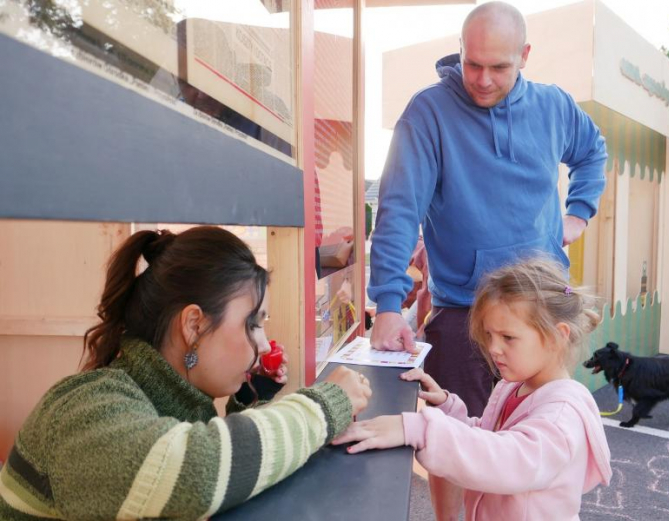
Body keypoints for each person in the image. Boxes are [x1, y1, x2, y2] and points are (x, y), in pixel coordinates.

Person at [367, 2, 607, 516]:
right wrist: (388, 304)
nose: (480, 79)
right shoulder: (428, 112)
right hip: (464, 310)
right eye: (471, 63)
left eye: (498, 67)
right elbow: (399, 207)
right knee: (460, 435)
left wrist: (579, 214)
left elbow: (593, 151)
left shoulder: (554, 106)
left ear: (524, 55)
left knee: (532, 441)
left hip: (542, 308)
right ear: (460, 50)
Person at [0, 226, 372, 520]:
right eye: (253, 324)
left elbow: (221, 466)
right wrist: (323, 405)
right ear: (193, 325)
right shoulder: (82, 409)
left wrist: (250, 396)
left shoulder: (173, 402)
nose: (262, 345)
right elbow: (199, 471)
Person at [335, 259, 612, 521]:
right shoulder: (514, 386)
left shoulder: (560, 419)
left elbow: (502, 460)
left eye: (508, 337)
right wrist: (448, 408)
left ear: (557, 336)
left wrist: (420, 428)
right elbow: (486, 435)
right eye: (490, 335)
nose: (493, 348)